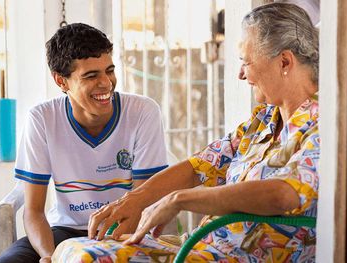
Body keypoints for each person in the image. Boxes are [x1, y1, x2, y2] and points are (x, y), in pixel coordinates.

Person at [53, 3, 320, 262]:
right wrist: (133, 200)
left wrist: (179, 200)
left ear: (284, 61)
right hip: (204, 247)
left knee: (89, 258)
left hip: (239, 257)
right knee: (72, 248)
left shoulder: (321, 124)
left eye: (246, 62)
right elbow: (200, 166)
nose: (240, 74)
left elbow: (284, 194)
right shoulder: (263, 119)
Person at [0, 23, 168, 263]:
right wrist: (51, 257)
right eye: (91, 75)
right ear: (61, 81)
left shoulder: (143, 112)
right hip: (63, 235)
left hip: (124, 233)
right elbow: (33, 211)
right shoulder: (42, 119)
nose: (106, 83)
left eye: (109, 70)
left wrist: (95, 254)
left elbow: (142, 202)